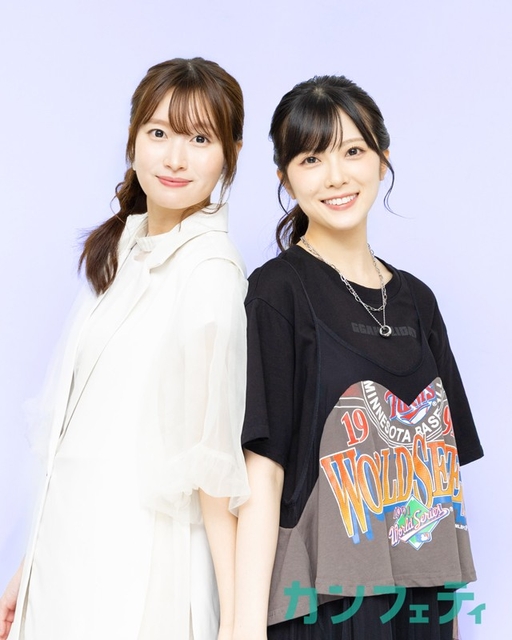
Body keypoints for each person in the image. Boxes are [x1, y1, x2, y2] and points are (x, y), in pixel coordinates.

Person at [0, 57, 249, 640]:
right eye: (159, 133)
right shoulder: (125, 253)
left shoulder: (209, 272)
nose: (175, 158)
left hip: (138, 568)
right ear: (133, 140)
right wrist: (28, 571)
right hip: (66, 558)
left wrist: (236, 622)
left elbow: (213, 466)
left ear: (230, 155)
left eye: (200, 139)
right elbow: (78, 431)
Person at [234, 75, 483, 640]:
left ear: (382, 159)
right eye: (311, 158)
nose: (336, 176)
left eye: (353, 151)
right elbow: (262, 471)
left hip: (423, 603)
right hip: (323, 604)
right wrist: (245, 626)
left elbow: (442, 474)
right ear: (285, 177)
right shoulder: (276, 293)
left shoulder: (418, 300)